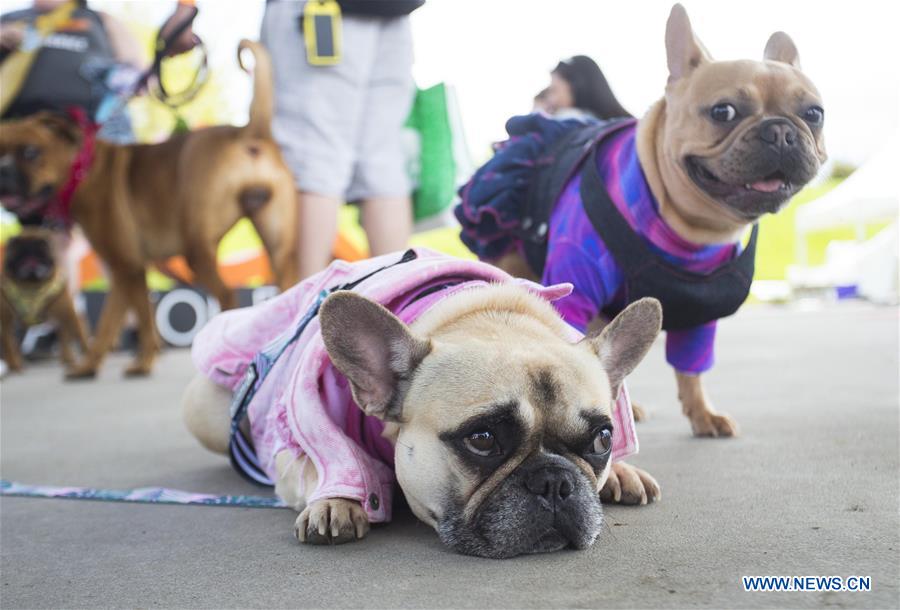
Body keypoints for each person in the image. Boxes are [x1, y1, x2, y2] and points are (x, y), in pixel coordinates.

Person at [261, 0, 423, 279]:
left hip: (319, 12)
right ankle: (396, 294)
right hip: (394, 14)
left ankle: (308, 298)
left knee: (313, 158)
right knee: (383, 164)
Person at [540, 55, 631, 121]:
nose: (550, 99)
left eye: (554, 90)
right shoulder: (628, 126)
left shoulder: (568, 119)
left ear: (576, 86)